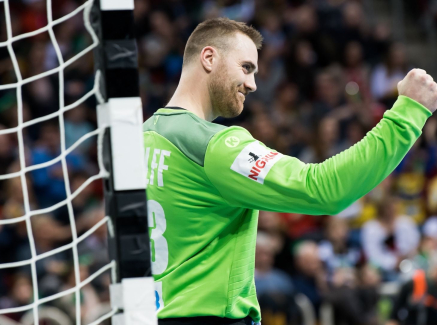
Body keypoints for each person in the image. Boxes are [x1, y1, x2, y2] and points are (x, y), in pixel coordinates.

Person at [143, 17, 436, 325]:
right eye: (246, 67)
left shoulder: (141, 138)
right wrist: (409, 113)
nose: (253, 84)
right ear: (209, 57)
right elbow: (323, 189)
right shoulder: (215, 146)